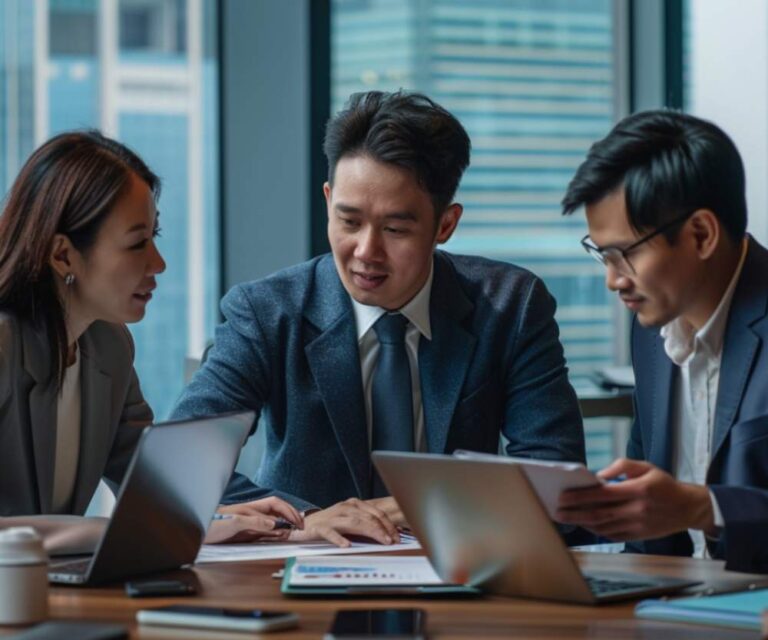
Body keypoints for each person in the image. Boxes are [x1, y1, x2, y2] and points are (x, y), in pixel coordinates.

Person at [172, 90, 585, 547]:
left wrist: (422, 503)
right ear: (328, 200)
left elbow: (557, 481)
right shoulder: (268, 311)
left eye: (395, 229)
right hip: (301, 572)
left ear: (445, 225)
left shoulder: (510, 306)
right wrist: (305, 521)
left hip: (462, 568)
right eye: (348, 222)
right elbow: (180, 472)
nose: (366, 252)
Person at [0, 131, 302, 545]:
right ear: (63, 255)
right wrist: (132, 530)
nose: (158, 263)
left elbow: (149, 489)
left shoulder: (109, 346)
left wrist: (247, 518)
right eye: (136, 243)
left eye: (154, 237)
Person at [557, 110, 768, 572]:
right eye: (601, 254)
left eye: (624, 255)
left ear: (701, 234)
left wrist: (702, 507)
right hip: (669, 602)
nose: (613, 281)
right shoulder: (653, 333)